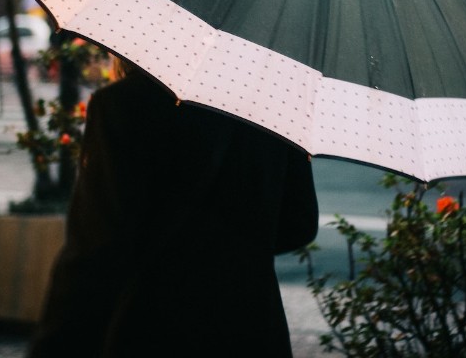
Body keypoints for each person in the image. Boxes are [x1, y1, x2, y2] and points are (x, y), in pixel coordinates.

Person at [30, 60, 319, 357]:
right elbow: (299, 223)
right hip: (251, 329)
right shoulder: (275, 110)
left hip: (154, 329)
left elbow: (96, 251)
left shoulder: (123, 105)